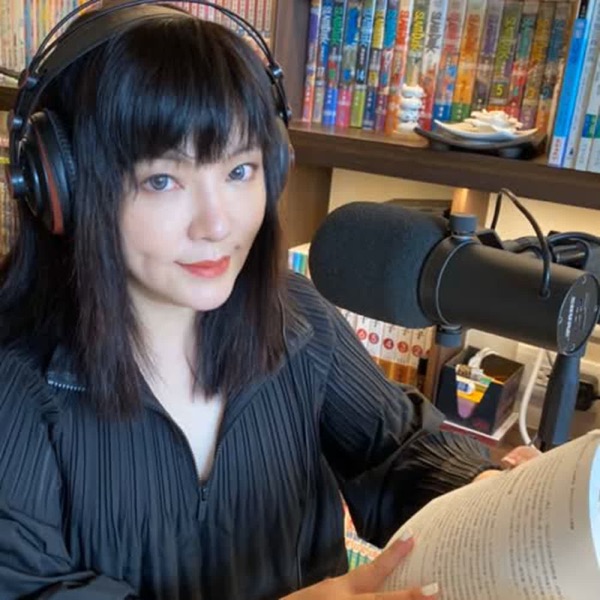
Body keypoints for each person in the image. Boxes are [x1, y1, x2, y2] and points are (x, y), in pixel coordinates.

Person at [0, 3, 523, 599]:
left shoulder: (296, 319)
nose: (218, 224)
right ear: (60, 186)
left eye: (240, 171)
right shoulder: (16, 385)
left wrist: (493, 490)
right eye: (162, 180)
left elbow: (399, 452)